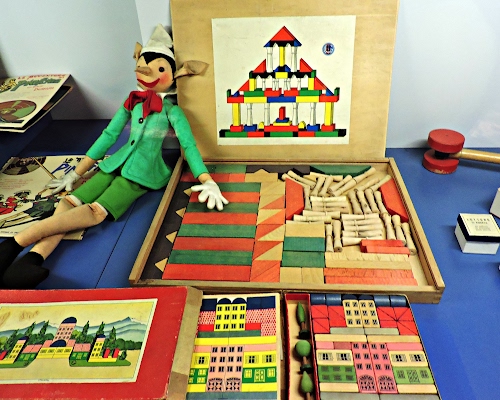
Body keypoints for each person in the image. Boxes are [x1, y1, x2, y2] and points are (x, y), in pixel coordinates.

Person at [0, 24, 227, 288]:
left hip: (141, 174)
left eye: (159, 69)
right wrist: (77, 172)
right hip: (113, 164)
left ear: (173, 75)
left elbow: (188, 145)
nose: (146, 72)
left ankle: (14, 244)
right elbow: (109, 135)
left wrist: (206, 178)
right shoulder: (132, 101)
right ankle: (34, 258)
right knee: (70, 201)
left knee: (95, 212)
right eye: (142, 66)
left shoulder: (172, 112)